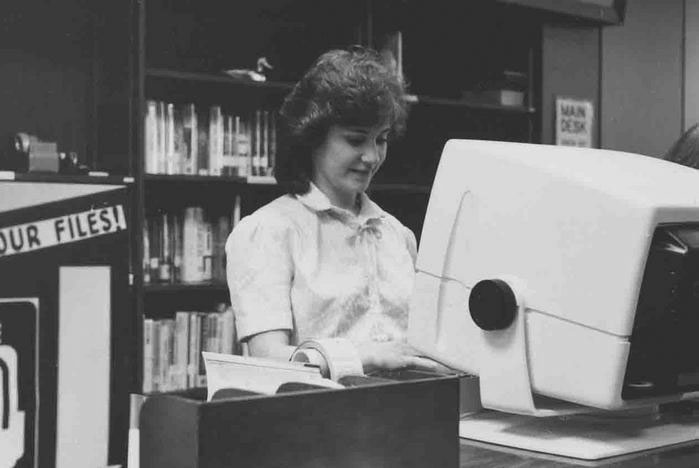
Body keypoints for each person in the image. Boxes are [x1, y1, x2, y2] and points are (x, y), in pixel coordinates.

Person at [225, 47, 443, 374]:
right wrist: (364, 357)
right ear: (312, 138)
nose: (372, 156)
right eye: (356, 140)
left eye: (381, 140)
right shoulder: (269, 231)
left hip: (409, 411)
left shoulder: (398, 235)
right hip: (318, 416)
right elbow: (265, 358)